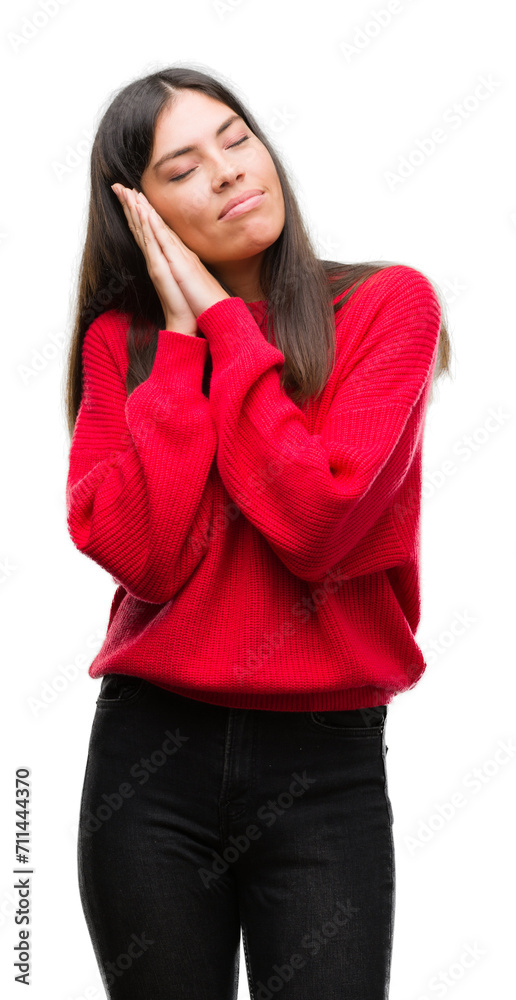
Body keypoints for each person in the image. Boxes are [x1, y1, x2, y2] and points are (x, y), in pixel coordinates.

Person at [64, 65, 452, 1000]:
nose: (230, 170)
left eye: (237, 139)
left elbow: (316, 524)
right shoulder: (123, 344)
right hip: (150, 765)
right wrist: (182, 340)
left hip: (326, 771)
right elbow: (143, 558)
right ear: (140, 215)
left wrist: (223, 321)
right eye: (183, 167)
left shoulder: (388, 305)